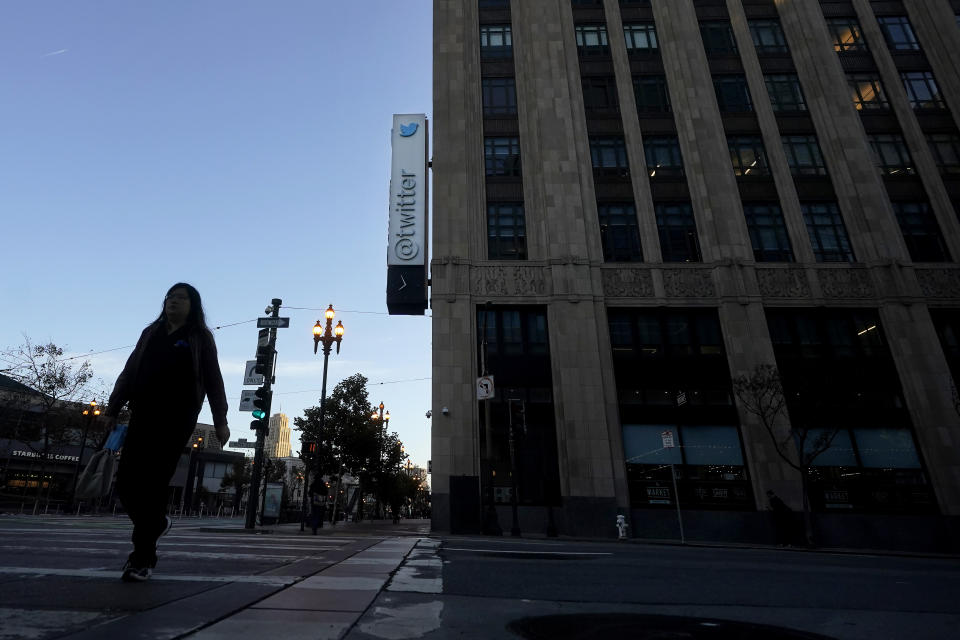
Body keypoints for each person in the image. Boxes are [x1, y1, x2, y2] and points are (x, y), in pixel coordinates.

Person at [101, 283, 229, 582]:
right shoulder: (151, 333)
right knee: (127, 484)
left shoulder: (199, 337)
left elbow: (214, 379)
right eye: (170, 296)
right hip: (141, 415)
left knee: (155, 484)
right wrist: (112, 407)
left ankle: (141, 559)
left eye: (181, 297)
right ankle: (157, 523)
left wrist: (220, 420)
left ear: (193, 305)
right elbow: (130, 370)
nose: (173, 301)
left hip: (176, 420)